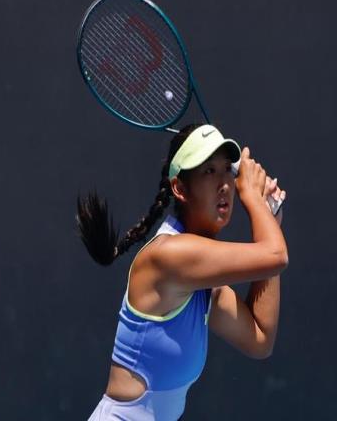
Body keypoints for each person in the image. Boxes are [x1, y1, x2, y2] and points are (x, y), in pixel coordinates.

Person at [77, 124, 288, 420]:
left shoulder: (201, 281)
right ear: (179, 188)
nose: (225, 184)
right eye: (209, 171)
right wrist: (254, 199)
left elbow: (260, 339)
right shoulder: (170, 256)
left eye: (227, 170)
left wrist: (271, 220)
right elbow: (276, 256)